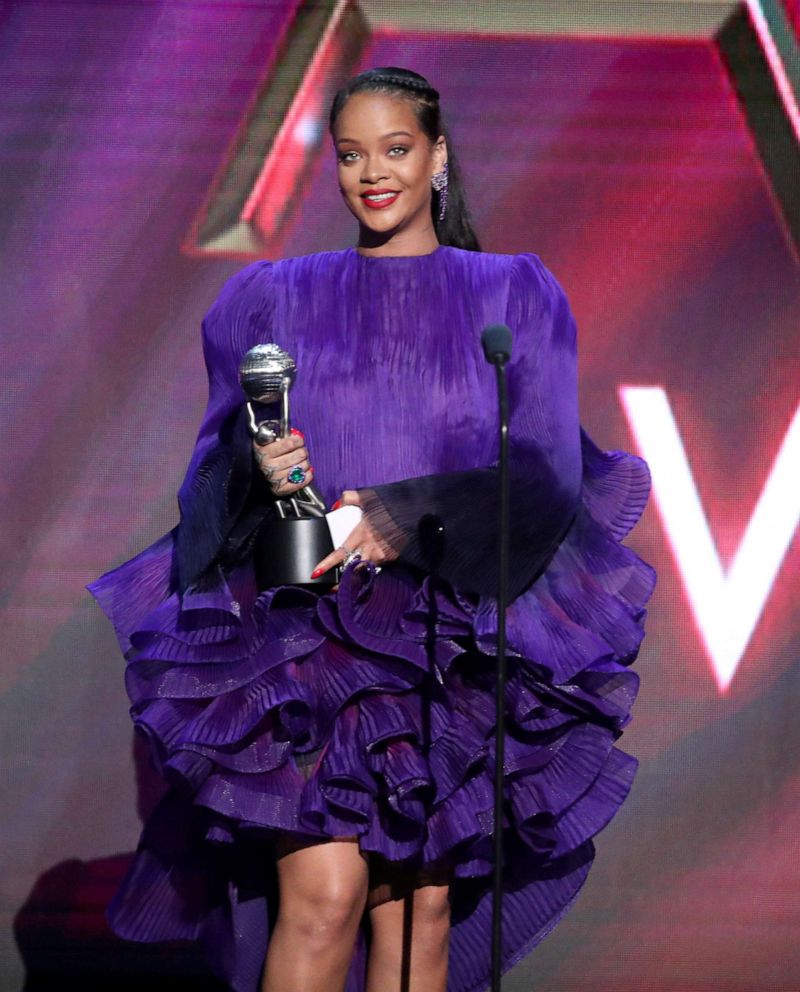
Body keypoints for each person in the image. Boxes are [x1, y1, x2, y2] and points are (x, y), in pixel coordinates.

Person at [89, 66, 656, 992]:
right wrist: (256, 468)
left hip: (447, 638)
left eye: (395, 150)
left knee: (418, 915)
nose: (372, 173)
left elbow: (548, 473)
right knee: (320, 898)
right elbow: (210, 478)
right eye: (351, 155)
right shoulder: (273, 298)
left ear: (436, 156)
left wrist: (406, 515)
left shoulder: (511, 292)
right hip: (305, 635)